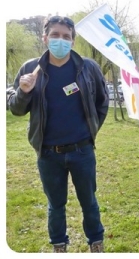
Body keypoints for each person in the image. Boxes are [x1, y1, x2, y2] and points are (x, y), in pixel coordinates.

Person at [7, 15, 109, 253]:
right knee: (56, 205)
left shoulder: (87, 67)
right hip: (48, 153)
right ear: (45, 38)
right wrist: (23, 92)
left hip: (82, 151)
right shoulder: (31, 69)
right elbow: (16, 109)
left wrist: (90, 129)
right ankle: (59, 245)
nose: (60, 40)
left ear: (73, 41)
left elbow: (102, 103)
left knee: (89, 202)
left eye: (66, 36)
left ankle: (96, 242)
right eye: (55, 35)